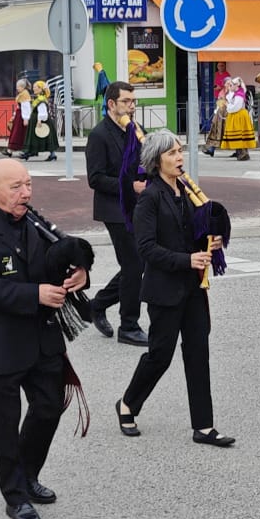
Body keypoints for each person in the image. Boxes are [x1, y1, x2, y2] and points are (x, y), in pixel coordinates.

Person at [0, 157, 87, 519]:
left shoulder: (35, 222)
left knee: (49, 406)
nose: (26, 192)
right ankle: (14, 496)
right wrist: (35, 295)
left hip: (42, 337)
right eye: (16, 187)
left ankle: (28, 473)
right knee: (5, 421)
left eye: (28, 184)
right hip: (2, 343)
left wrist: (80, 272)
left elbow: (63, 254)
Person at [116, 130, 233, 446]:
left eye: (180, 151)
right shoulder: (150, 199)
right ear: (157, 161)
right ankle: (128, 403)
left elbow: (195, 232)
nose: (179, 158)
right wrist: (187, 259)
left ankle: (204, 426)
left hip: (194, 288)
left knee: (198, 352)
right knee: (160, 355)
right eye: (172, 153)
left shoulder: (188, 193)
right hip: (164, 290)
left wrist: (212, 240)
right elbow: (146, 249)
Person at [83, 80, 147, 346]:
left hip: (137, 206)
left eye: (133, 102)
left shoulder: (133, 129)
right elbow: (95, 179)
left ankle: (97, 305)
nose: (131, 107)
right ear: (111, 104)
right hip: (114, 209)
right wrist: (129, 185)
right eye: (126, 102)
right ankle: (129, 325)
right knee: (134, 264)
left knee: (138, 264)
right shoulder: (99, 135)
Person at [24, 80, 57, 157]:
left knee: (45, 136)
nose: (33, 89)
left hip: (42, 121)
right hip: (37, 120)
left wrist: (39, 120)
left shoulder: (41, 99)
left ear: (40, 89)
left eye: (35, 87)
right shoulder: (39, 98)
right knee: (41, 137)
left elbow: (42, 111)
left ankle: (52, 154)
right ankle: (32, 151)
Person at [6, 79, 32, 153]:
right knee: (16, 132)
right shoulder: (22, 94)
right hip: (19, 115)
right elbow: (19, 106)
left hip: (22, 116)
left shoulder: (24, 95)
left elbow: (26, 108)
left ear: (22, 87)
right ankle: (10, 150)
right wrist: (14, 115)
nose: (17, 88)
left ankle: (14, 149)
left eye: (18, 86)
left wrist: (26, 118)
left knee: (19, 133)